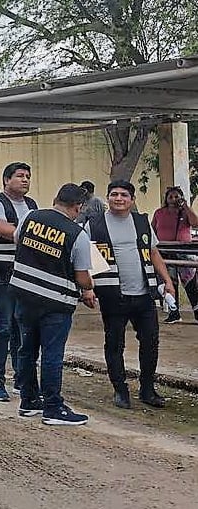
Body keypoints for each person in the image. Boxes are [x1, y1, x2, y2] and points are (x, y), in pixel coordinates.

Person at [11, 183, 95, 426]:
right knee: (52, 354)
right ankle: (53, 407)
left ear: (55, 199)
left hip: (24, 295)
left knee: (26, 350)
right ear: (78, 207)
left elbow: (18, 242)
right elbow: (82, 276)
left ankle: (28, 400)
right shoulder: (77, 234)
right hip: (56, 303)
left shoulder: (29, 217)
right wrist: (89, 287)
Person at [88, 180, 175, 409]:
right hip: (113, 295)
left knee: (150, 342)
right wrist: (87, 288)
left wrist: (167, 281)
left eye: (124, 195)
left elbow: (153, 253)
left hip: (144, 295)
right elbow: (84, 257)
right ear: (108, 198)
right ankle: (120, 389)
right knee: (114, 344)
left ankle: (147, 389)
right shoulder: (94, 225)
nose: (119, 198)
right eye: (114, 194)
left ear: (132, 200)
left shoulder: (141, 222)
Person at [0, 161, 38, 402]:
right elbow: (2, 229)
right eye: (20, 176)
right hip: (0, 275)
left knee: (22, 329)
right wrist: (34, 234)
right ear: (6, 180)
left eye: (28, 176)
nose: (25, 180)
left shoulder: (31, 205)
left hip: (23, 275)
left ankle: (21, 378)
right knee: (2, 327)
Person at [151, 185, 198, 323]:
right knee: (169, 282)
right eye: (170, 196)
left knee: (190, 282)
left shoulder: (185, 212)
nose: (173, 199)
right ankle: (174, 312)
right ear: (166, 199)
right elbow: (152, 229)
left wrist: (186, 207)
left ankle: (196, 310)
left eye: (176, 196)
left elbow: (195, 222)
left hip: (183, 251)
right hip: (165, 251)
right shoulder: (159, 213)